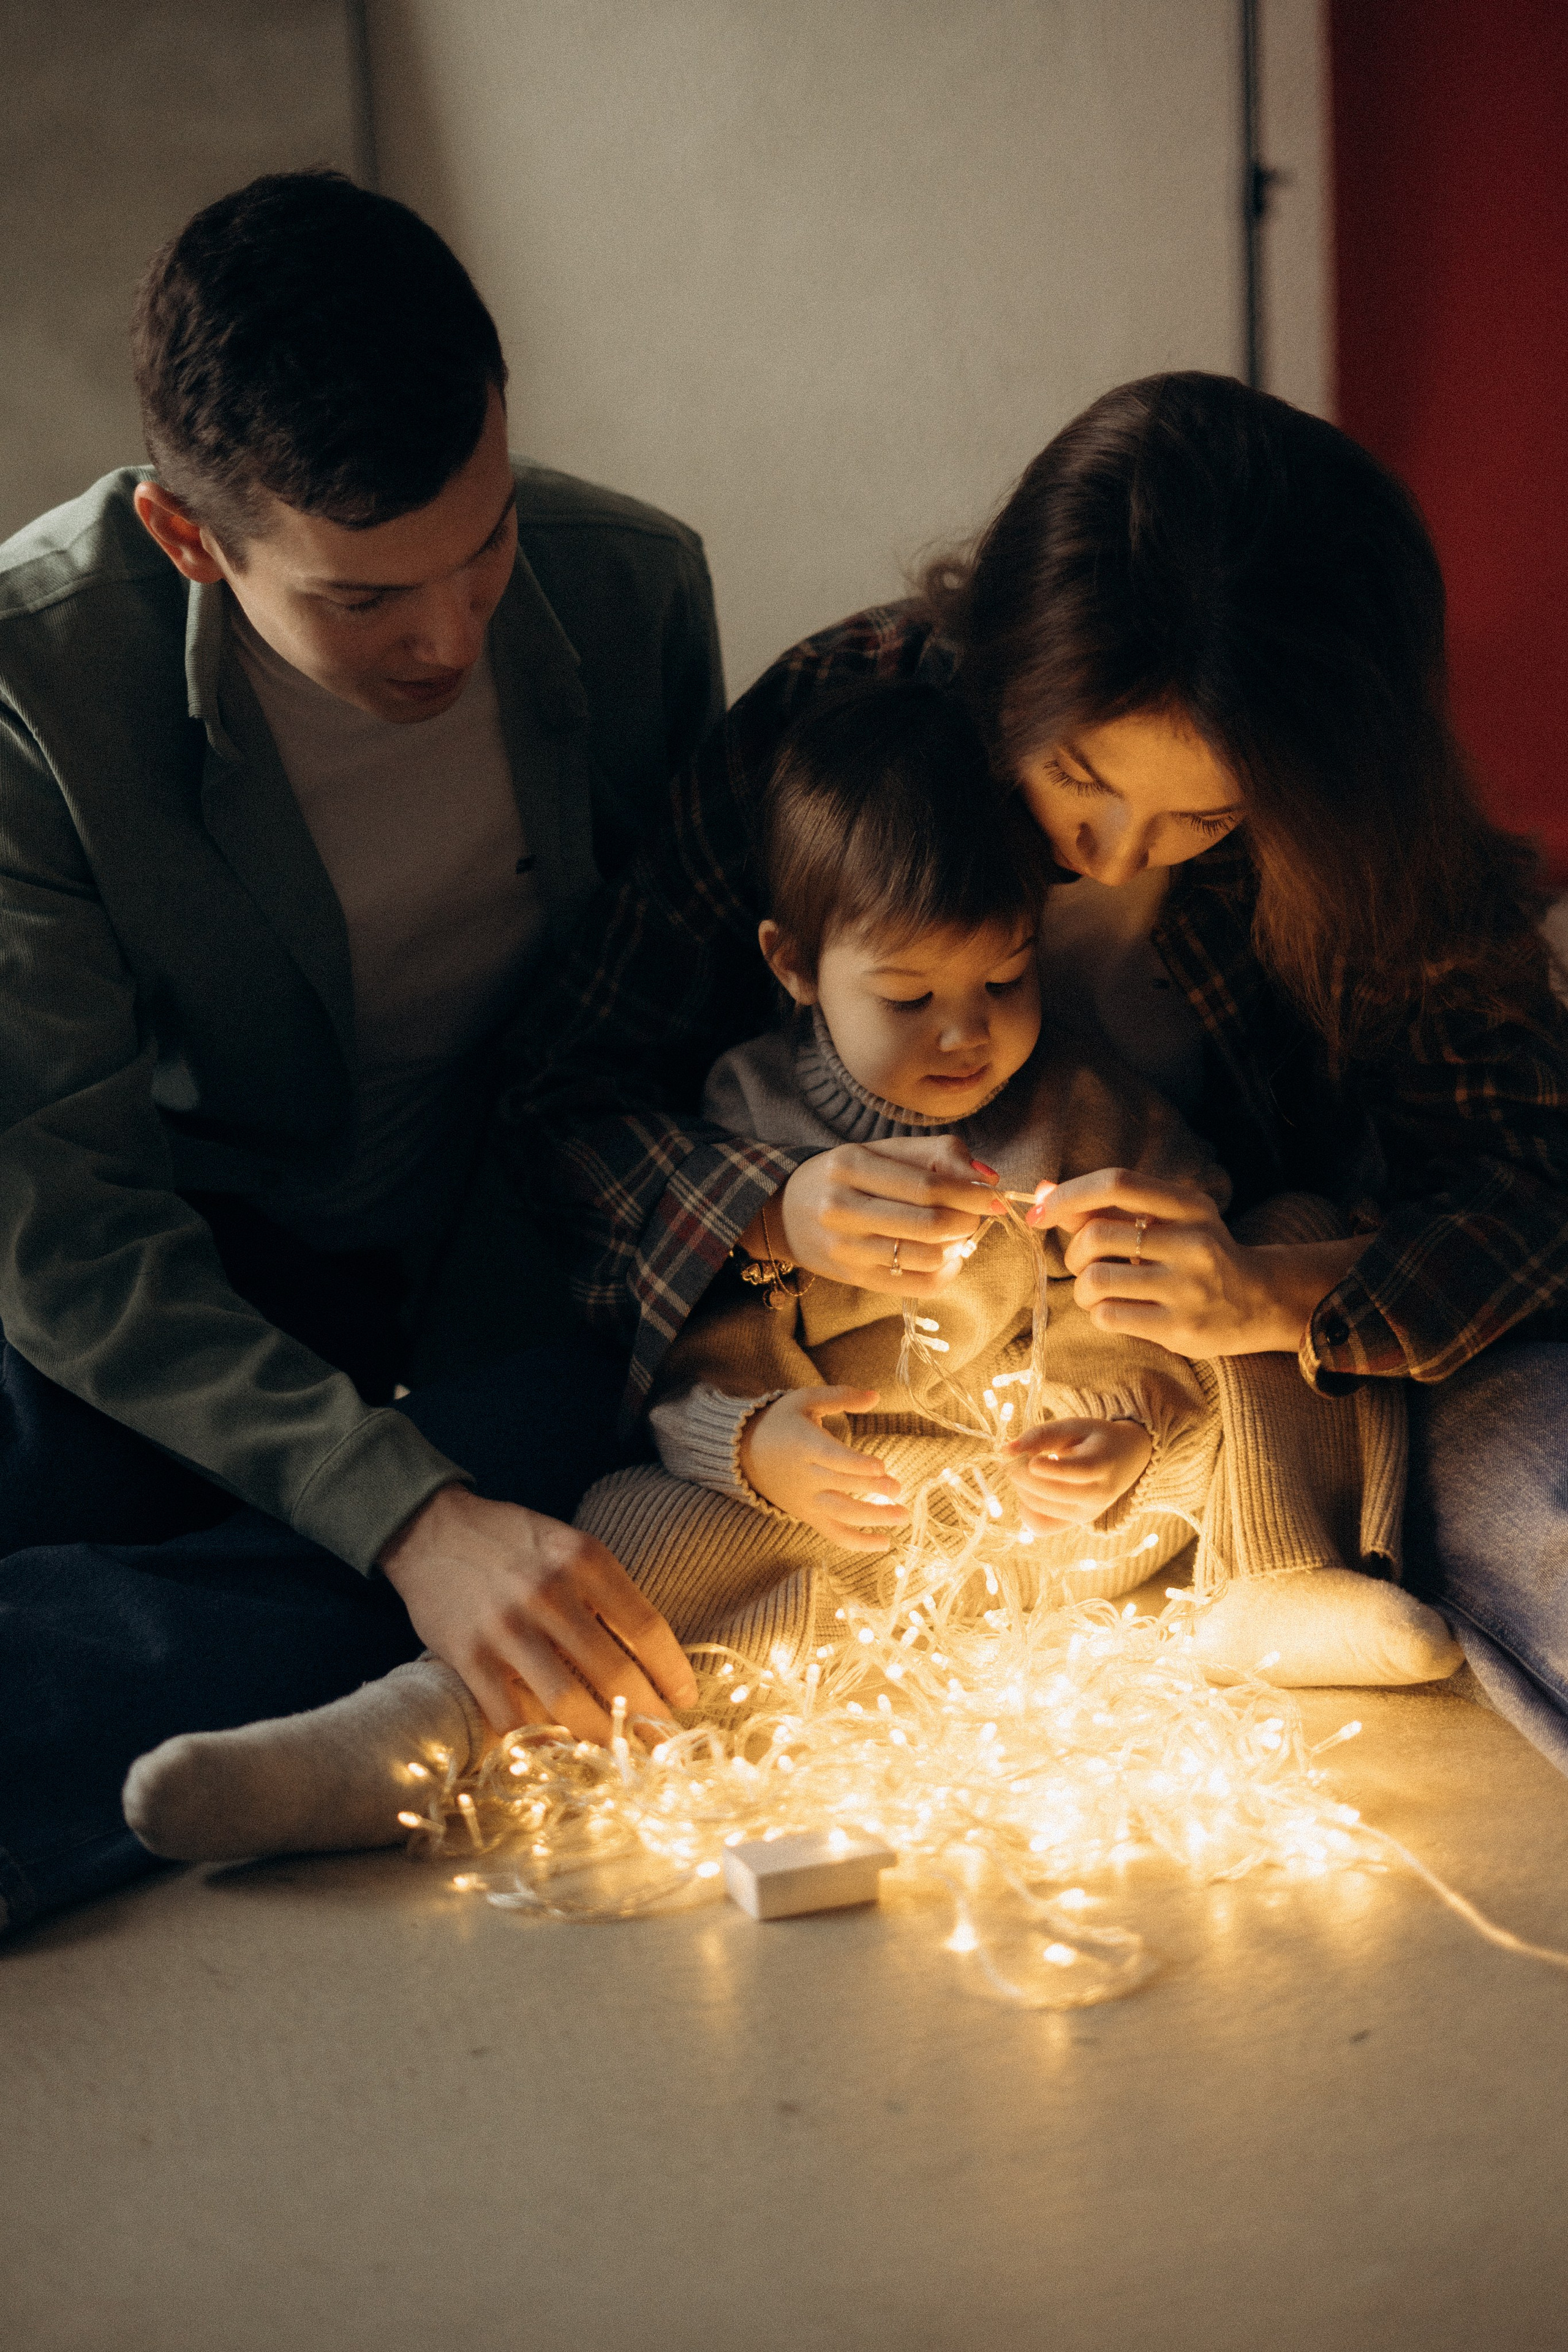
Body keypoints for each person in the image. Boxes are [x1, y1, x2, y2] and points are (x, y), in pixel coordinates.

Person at [117, 680, 1455, 1866]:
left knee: (1283, 1262)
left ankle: (1270, 1579)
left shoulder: (1093, 1113)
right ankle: (417, 1729)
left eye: (1003, 982)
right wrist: (755, 1447)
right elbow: (681, 1379)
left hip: (1074, 1536)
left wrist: (1119, 1420)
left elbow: (1172, 1302)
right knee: (638, 1531)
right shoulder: (750, 1124)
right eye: (908, 996)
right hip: (844, 1518)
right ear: (793, 968)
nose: (964, 1037)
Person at [496, 372, 1568, 1773]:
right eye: (1077, 774)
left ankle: (1267, 1581)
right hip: (889, 1425)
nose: (1114, 854)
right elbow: (560, 1099)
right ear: (1008, 662)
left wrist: (1265, 1292)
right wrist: (776, 1207)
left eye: (1201, 816)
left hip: (1287, 1395)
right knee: (602, 1568)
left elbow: (1529, 1190)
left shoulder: (1357, 822)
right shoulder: (852, 723)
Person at [0, 170, 710, 1934]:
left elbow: (681, 1025)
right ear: (187, 539)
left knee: (540, 1566)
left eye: (485, 543)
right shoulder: (31, 694)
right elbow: (70, 1232)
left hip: (498, 1258)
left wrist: (438, 1522)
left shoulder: (633, 595)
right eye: (366, 600)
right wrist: (405, 1517)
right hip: (183, 1267)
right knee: (71, 1473)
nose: (452, 636)